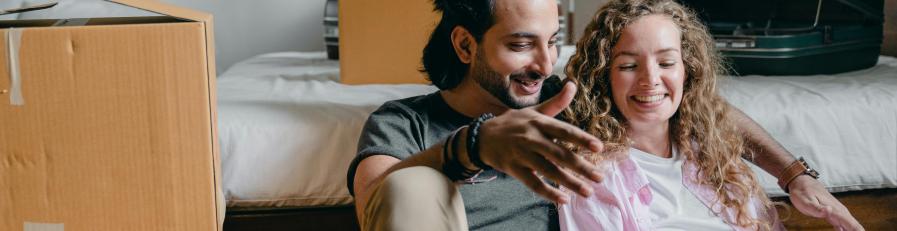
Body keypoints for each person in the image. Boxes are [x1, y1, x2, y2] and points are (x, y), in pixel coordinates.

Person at [346, 0, 861, 230]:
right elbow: (379, 203)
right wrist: (474, 147)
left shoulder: (566, 98)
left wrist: (792, 174)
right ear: (465, 44)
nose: (545, 64)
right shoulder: (405, 120)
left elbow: (698, 103)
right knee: (412, 184)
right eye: (522, 45)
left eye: (552, 42)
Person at [557, 0, 863, 230]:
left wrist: (797, 176)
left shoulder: (716, 156)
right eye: (627, 66)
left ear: (688, 71)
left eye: (666, 63)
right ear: (602, 76)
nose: (650, 79)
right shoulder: (592, 176)